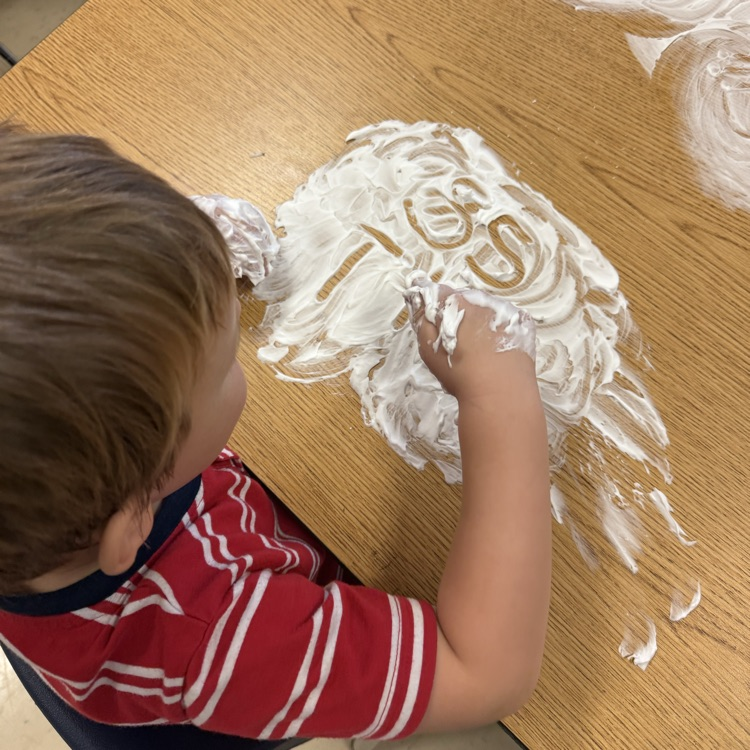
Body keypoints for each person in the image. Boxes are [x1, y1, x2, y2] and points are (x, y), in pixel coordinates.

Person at [0, 123, 551, 741]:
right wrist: (500, 401)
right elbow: (484, 673)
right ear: (135, 515)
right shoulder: (215, 638)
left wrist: (174, 266)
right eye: (221, 362)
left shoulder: (48, 492)